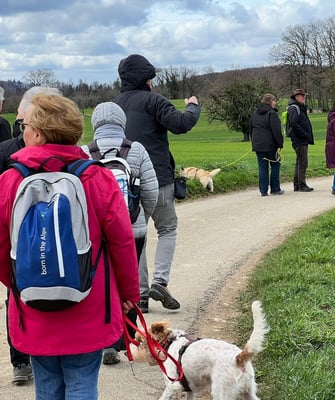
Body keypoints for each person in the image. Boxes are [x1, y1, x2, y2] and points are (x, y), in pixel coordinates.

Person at [0, 93, 139, 399]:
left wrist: (20, 281)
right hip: (88, 302)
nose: (23, 131)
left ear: (38, 133)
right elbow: (122, 241)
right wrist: (129, 293)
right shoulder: (97, 178)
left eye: (25, 125)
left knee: (47, 385)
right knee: (82, 383)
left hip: (33, 304)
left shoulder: (9, 182)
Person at [113, 54, 201, 312]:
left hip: (127, 183)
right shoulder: (154, 101)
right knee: (167, 229)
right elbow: (182, 124)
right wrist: (193, 106)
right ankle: (160, 282)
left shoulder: (114, 105)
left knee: (136, 235)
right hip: (159, 177)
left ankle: (140, 294)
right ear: (146, 79)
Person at [82, 102, 159, 364]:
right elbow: (151, 191)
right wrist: (142, 219)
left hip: (95, 235)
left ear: (95, 124)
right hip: (132, 230)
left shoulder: (85, 152)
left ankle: (105, 344)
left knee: (102, 285)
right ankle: (128, 340)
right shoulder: (136, 149)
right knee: (129, 284)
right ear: (122, 122)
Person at [0, 86, 62, 386]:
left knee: (20, 299)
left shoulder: (5, 151)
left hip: (20, 243)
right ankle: (33, 358)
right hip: (53, 241)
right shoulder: (72, 156)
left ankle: (24, 360)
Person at [250, 93, 284, 196]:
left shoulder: (255, 113)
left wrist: (254, 142)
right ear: (270, 101)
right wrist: (280, 143)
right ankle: (275, 189)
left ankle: (263, 190)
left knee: (262, 167)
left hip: (258, 145)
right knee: (275, 165)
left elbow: (251, 128)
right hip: (271, 145)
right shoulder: (272, 113)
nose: (275, 103)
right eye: (274, 101)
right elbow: (276, 130)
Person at [287, 88, 314, 192]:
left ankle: (297, 185)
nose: (304, 97)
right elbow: (294, 124)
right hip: (299, 139)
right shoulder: (294, 108)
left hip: (300, 139)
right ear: (296, 97)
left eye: (304, 96)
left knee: (299, 162)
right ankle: (302, 185)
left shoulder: (299, 107)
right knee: (303, 162)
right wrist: (304, 134)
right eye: (302, 96)